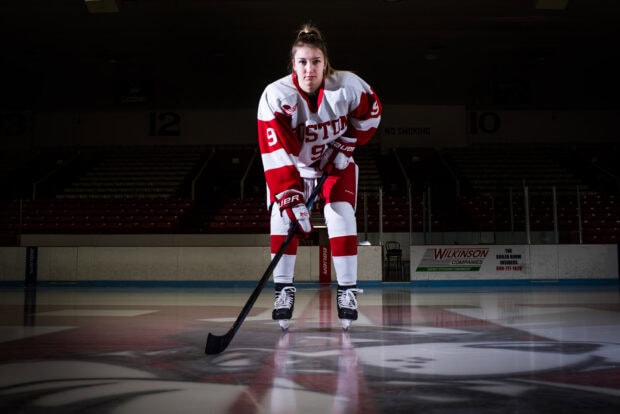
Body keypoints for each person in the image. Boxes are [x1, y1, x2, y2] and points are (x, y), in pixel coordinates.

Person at [257, 23, 382, 330]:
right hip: (294, 169)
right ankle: (283, 290)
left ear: (326, 62)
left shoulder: (348, 85)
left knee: (341, 214)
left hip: (336, 164)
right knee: (281, 218)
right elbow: (275, 151)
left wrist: (347, 143)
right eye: (302, 62)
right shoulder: (275, 95)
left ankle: (347, 290)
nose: (309, 69)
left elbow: (372, 113)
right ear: (293, 64)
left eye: (315, 61)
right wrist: (290, 197)